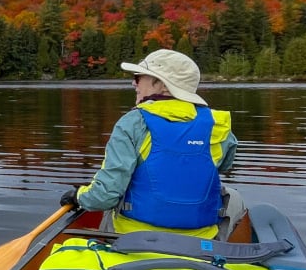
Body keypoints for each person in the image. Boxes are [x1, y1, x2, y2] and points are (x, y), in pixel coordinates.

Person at [60, 49, 239, 239]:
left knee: (112, 198)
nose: (133, 83)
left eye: (138, 78)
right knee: (233, 196)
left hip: (134, 239)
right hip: (201, 242)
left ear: (162, 85)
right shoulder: (217, 125)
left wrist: (78, 196)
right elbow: (223, 165)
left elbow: (104, 196)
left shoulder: (133, 123)